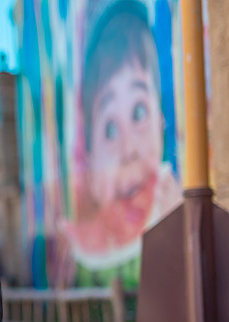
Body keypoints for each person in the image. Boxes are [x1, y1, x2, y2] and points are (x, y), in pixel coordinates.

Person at [64, 0, 180, 273]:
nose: (129, 150)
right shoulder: (82, 258)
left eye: (139, 112)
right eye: (110, 129)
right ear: (88, 158)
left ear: (161, 121)